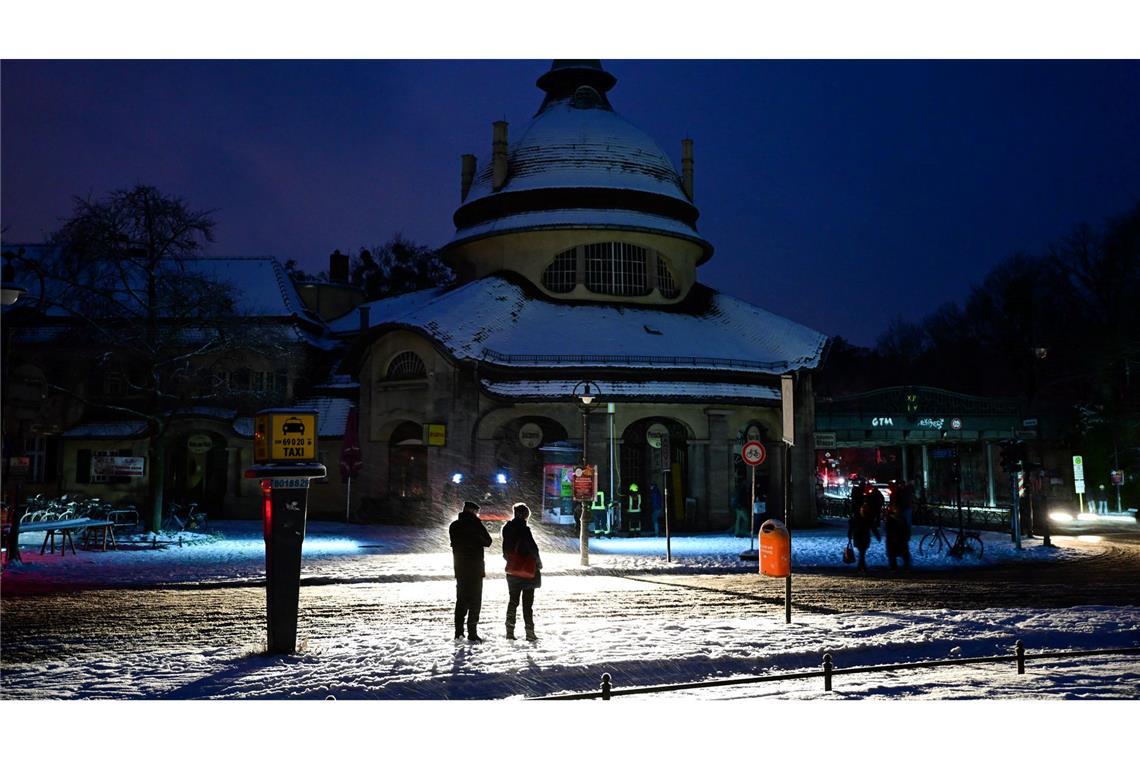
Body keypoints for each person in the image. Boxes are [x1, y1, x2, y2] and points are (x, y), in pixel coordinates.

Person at [449, 500, 492, 642]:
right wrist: (476, 533)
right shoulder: (476, 524)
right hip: (475, 568)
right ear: (473, 511)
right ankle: (472, 632)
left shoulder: (454, 526)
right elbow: (488, 541)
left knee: (461, 601)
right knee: (475, 601)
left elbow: (455, 543)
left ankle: (458, 632)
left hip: (460, 568)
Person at [501, 503, 542, 641]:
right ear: (523, 515)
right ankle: (529, 632)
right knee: (527, 604)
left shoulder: (507, 528)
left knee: (513, 601)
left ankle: (509, 631)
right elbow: (533, 549)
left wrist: (512, 560)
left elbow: (505, 551)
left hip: (512, 571)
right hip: (527, 570)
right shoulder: (524, 530)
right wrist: (538, 562)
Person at [848, 484, 882, 574]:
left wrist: (850, 533)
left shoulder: (856, 508)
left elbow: (853, 522)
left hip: (858, 531)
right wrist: (876, 534)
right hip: (863, 532)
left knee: (862, 551)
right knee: (862, 551)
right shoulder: (864, 506)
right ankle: (861, 567)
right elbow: (870, 522)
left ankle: (861, 567)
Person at [884, 482, 912, 571]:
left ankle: (897, 566)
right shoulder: (899, 494)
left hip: (896, 535)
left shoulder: (897, 495)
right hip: (898, 535)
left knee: (896, 550)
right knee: (901, 550)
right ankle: (902, 565)